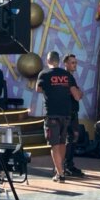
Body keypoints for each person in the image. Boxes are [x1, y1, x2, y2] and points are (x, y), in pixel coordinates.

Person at [36, 51, 81, 183]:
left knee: (54, 145)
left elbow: (38, 89)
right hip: (66, 114)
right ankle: (60, 170)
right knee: (62, 143)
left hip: (52, 114)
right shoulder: (67, 75)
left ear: (47, 61)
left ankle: (60, 174)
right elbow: (77, 96)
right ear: (59, 61)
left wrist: (50, 89)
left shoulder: (44, 74)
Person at [62, 53, 85, 177]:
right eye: (72, 63)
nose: (75, 65)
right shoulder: (68, 77)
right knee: (71, 138)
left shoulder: (66, 77)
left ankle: (67, 165)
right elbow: (77, 96)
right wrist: (80, 92)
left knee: (70, 138)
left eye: (75, 63)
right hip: (70, 113)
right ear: (66, 63)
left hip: (69, 112)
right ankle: (67, 166)